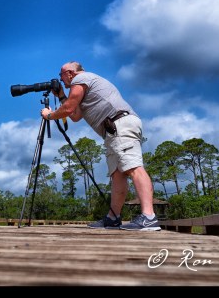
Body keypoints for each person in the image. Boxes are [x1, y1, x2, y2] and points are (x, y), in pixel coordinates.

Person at [40, 61, 160, 231]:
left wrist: (50, 115)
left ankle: (149, 217)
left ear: (70, 73)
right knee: (118, 174)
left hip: (119, 124)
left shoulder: (81, 79)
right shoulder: (83, 85)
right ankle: (113, 218)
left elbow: (67, 110)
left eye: (61, 75)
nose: (61, 79)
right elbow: (75, 116)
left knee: (134, 167)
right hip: (112, 130)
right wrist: (60, 95)